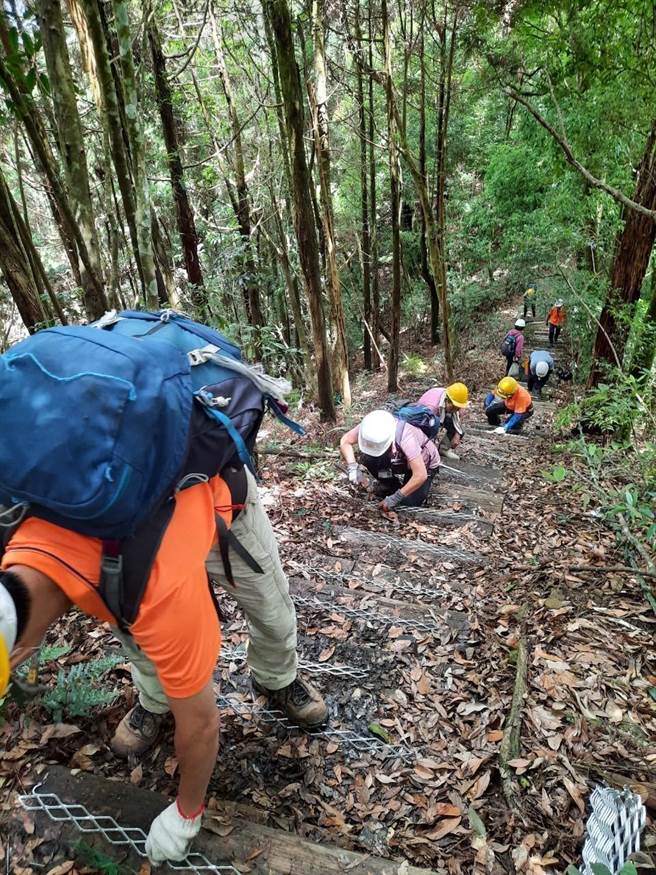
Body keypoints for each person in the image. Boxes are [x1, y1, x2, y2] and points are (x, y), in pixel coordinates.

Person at [0, 465, 327, 865]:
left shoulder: (154, 590)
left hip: (220, 497)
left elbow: (203, 724)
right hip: (137, 539)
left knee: (271, 614)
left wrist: (185, 815)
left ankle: (278, 678)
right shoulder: (21, 521)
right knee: (135, 633)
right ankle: (156, 698)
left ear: (19, 656)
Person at [340, 410, 440, 510]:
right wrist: (353, 468)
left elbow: (420, 475)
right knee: (369, 460)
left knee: (407, 504)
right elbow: (345, 441)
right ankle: (391, 484)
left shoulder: (406, 438)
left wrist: (396, 497)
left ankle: (402, 490)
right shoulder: (369, 426)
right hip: (399, 460)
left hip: (423, 465)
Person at [415, 382, 469, 461]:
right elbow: (424, 430)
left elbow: (457, 418)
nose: (455, 411)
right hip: (421, 419)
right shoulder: (432, 407)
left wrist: (457, 434)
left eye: (458, 408)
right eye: (454, 408)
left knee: (460, 430)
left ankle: (443, 449)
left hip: (439, 414)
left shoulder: (451, 398)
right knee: (434, 425)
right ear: (447, 401)